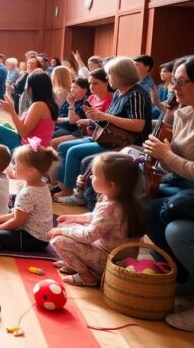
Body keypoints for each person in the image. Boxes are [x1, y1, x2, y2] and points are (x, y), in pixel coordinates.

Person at [53, 57, 152, 203]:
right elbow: (110, 118)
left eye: (110, 74)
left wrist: (103, 116)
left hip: (127, 144)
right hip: (109, 137)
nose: (108, 78)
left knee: (74, 152)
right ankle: (64, 188)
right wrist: (92, 120)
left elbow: (138, 125)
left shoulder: (136, 94)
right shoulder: (119, 92)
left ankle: (75, 193)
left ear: (121, 75)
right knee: (62, 146)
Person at [143, 55, 194, 331]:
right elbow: (173, 161)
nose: (173, 88)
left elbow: (177, 161)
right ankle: (183, 277)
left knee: (177, 230)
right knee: (144, 204)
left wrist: (167, 156)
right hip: (184, 182)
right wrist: (159, 155)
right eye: (174, 81)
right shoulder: (185, 112)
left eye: (181, 82)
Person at [49, 152, 144, 287]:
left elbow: (89, 236)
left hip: (110, 261)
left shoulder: (110, 207)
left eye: (95, 175)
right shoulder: (120, 200)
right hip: (112, 254)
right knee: (65, 225)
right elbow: (97, 218)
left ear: (111, 185)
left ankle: (87, 276)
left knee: (57, 241)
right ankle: (76, 265)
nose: (91, 177)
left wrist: (62, 232)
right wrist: (74, 218)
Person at [0, 139, 57, 253]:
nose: (14, 167)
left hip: (34, 240)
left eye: (17, 164)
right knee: (1, 232)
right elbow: (20, 213)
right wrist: (3, 218)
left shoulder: (28, 193)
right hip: (35, 235)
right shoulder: (41, 185)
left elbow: (17, 221)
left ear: (31, 171)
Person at [0, 71, 58, 157]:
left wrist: (12, 112)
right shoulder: (44, 104)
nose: (26, 88)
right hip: (29, 143)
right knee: (3, 127)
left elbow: (24, 132)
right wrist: (11, 105)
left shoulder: (39, 105)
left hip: (32, 148)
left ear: (33, 87)